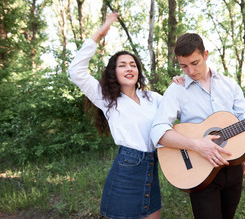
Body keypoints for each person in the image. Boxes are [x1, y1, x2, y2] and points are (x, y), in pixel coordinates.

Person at [150, 33, 245, 219]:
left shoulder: (229, 85)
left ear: (206, 55)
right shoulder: (177, 89)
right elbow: (158, 131)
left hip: (233, 167)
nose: (190, 72)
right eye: (183, 66)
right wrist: (198, 145)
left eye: (195, 63)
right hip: (199, 170)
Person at [69, 12, 182, 219]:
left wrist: (178, 85)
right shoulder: (107, 99)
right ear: (114, 72)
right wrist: (98, 34)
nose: (129, 68)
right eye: (122, 65)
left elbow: (178, 116)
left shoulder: (153, 98)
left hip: (152, 167)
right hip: (126, 171)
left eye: (132, 65)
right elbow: (76, 71)